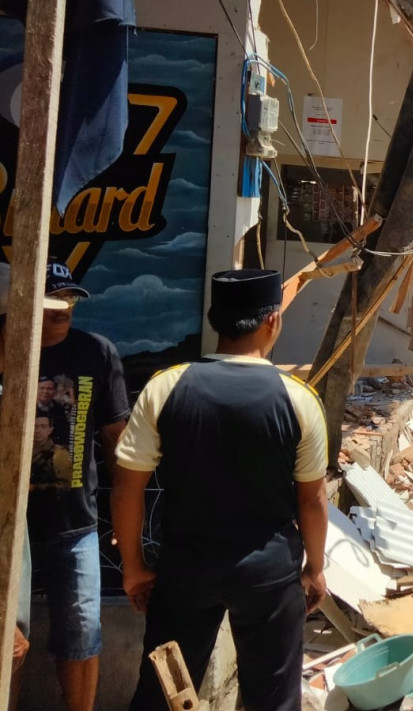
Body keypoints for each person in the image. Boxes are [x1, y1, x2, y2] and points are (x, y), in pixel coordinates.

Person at [114, 269, 329, 711]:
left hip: (186, 570)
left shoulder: (165, 386)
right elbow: (312, 499)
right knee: (272, 701)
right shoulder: (299, 398)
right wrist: (315, 567)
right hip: (269, 575)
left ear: (214, 319)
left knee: (161, 692)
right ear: (273, 321)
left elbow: (126, 488)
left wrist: (134, 568)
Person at [5, 262, 130, 711]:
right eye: (52, 300)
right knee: (9, 643)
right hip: (8, 526)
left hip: (74, 522)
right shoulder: (6, 347)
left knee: (82, 636)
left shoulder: (95, 353)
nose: (64, 309)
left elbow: (117, 440)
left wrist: (125, 514)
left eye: (70, 300)